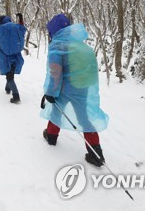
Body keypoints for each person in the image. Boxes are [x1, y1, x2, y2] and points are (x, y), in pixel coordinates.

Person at [40, 13, 109, 167]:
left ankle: (51, 136)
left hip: (65, 89)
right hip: (82, 88)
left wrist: (51, 93)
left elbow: (56, 73)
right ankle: (96, 153)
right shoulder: (81, 45)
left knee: (57, 111)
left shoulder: (57, 46)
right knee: (84, 118)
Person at [0, 13, 26, 104]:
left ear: (1, 22)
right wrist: (21, 19)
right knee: (11, 73)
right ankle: (8, 88)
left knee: (9, 75)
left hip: (5, 56)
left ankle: (16, 96)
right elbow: (23, 28)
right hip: (17, 55)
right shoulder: (17, 27)